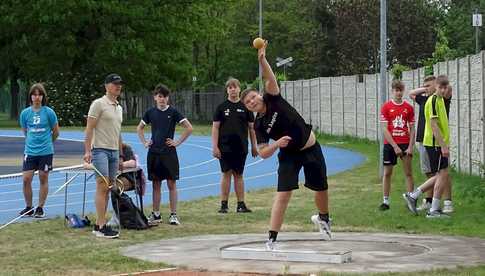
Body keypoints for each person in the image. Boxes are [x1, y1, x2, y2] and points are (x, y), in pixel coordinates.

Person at [240, 41, 331, 250]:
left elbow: (269, 77)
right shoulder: (259, 125)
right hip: (289, 155)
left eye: (253, 96)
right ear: (247, 108)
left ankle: (324, 218)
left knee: (321, 188)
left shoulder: (273, 98)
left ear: (259, 95)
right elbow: (263, 153)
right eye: (248, 102)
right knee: (283, 194)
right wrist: (277, 144)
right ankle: (271, 238)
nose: (252, 101)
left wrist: (262, 60)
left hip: (310, 148)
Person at [137, 83, 193, 226]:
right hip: (154, 153)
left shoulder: (173, 112)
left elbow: (189, 128)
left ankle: (173, 214)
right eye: (160, 96)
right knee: (156, 184)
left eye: (165, 97)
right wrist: (145, 142)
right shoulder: (150, 112)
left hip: (169, 153)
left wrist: (177, 142)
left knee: (171, 184)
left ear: (168, 98)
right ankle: (156, 214)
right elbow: (140, 128)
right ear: (155, 97)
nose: (162, 99)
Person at [403, 75, 452, 218]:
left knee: (441, 175)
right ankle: (417, 198)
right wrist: (443, 146)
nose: (443, 90)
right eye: (440, 87)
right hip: (435, 144)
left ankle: (431, 207)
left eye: (444, 87)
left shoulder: (440, 100)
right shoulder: (434, 101)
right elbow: (434, 125)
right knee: (441, 174)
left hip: (437, 143)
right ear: (435, 86)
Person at [84, 73, 124, 238]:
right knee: (102, 185)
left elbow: (118, 132)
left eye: (120, 84)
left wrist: (121, 155)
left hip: (114, 151)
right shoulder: (98, 104)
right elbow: (89, 128)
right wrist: (87, 151)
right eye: (115, 84)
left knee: (109, 188)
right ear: (107, 85)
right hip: (100, 149)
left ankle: (102, 223)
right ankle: (100, 226)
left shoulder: (119, 107)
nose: (118, 86)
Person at [212, 77, 258, 213]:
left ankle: (241, 204)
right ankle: (224, 205)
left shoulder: (246, 107)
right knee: (226, 174)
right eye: (230, 87)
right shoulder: (221, 108)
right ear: (227, 90)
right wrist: (214, 146)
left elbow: (252, 128)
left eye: (235, 87)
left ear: (239, 89)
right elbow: (215, 128)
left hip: (241, 148)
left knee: (239, 175)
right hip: (224, 147)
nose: (233, 89)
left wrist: (254, 146)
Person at [19, 83, 59, 218]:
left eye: (39, 94)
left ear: (43, 96)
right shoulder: (25, 113)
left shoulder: (49, 112)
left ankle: (40, 208)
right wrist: (32, 142)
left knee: (43, 178)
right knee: (26, 179)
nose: (37, 97)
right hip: (30, 152)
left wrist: (48, 143)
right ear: (30, 97)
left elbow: (56, 132)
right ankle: (29, 207)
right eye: (34, 94)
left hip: (46, 152)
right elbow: (26, 131)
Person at [378, 80, 415, 211]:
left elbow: (412, 128)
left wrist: (411, 146)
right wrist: (394, 146)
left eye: (401, 90)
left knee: (408, 173)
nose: (399, 93)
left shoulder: (409, 108)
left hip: (405, 143)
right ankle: (385, 201)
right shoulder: (386, 107)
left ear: (403, 91)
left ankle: (411, 200)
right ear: (392, 91)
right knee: (387, 173)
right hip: (390, 144)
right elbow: (384, 129)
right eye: (396, 90)